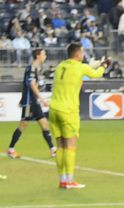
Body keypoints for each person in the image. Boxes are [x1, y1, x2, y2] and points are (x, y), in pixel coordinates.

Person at [49, 43, 111, 188]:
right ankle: (69, 181)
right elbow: (97, 74)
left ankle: (62, 180)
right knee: (70, 146)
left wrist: (87, 68)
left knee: (60, 146)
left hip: (53, 109)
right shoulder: (80, 67)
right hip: (68, 111)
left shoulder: (60, 66)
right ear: (77, 54)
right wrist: (104, 64)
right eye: (82, 52)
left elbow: (74, 80)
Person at [6, 48, 56, 159]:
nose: (45, 56)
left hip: (34, 101)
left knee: (44, 124)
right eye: (43, 54)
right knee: (23, 125)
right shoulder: (31, 68)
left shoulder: (36, 69)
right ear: (37, 56)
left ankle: (53, 149)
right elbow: (32, 85)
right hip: (29, 101)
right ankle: (10, 149)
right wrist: (42, 99)